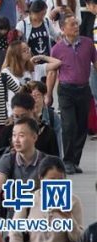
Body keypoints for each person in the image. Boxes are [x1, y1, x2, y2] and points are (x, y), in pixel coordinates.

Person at [49, 14, 97, 174]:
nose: (76, 26)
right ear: (63, 29)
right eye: (72, 24)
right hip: (66, 90)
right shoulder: (56, 49)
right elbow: (52, 73)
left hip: (84, 90)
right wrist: (48, 94)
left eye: (76, 24)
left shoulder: (88, 44)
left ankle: (75, 160)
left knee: (82, 126)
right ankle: (67, 160)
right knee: (69, 125)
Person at [9, 156, 84, 242]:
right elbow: (15, 234)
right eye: (51, 180)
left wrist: (69, 220)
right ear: (41, 178)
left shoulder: (73, 201)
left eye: (60, 180)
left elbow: (78, 239)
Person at [0, 117, 50, 219]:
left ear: (34, 137)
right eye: (14, 135)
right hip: (13, 221)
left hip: (40, 222)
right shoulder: (7, 160)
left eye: (21, 136)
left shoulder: (46, 163)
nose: (16, 140)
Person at [0, 92, 58, 157]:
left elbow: (54, 161)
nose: (20, 121)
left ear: (32, 110)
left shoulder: (47, 133)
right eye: (16, 116)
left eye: (23, 116)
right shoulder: (7, 132)